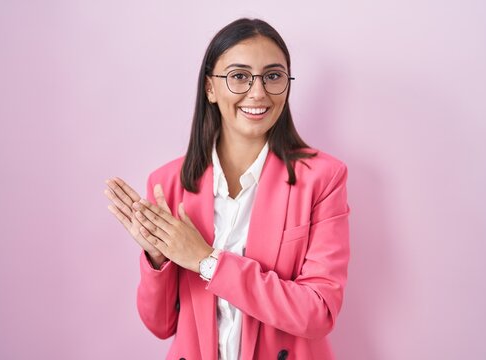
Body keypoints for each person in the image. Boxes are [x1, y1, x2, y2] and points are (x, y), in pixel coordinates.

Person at [104, 18, 350, 360]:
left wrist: (206, 260)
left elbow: (318, 312)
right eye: (239, 76)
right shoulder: (167, 184)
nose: (258, 92)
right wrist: (158, 259)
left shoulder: (322, 178)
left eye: (273, 76)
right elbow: (160, 325)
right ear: (210, 88)